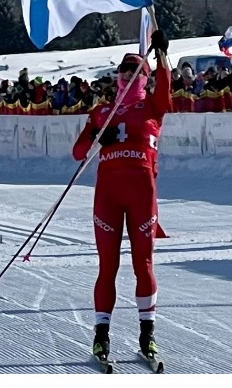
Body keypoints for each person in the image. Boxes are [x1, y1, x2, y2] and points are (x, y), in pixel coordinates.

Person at [71, 29, 171, 363]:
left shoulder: (152, 107)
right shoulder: (102, 112)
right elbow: (78, 152)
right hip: (108, 197)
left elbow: (166, 89)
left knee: (143, 264)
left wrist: (162, 56)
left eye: (136, 70)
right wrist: (101, 136)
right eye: (123, 70)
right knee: (108, 266)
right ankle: (101, 337)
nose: (128, 74)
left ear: (145, 77)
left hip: (142, 195)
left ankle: (147, 336)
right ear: (116, 77)